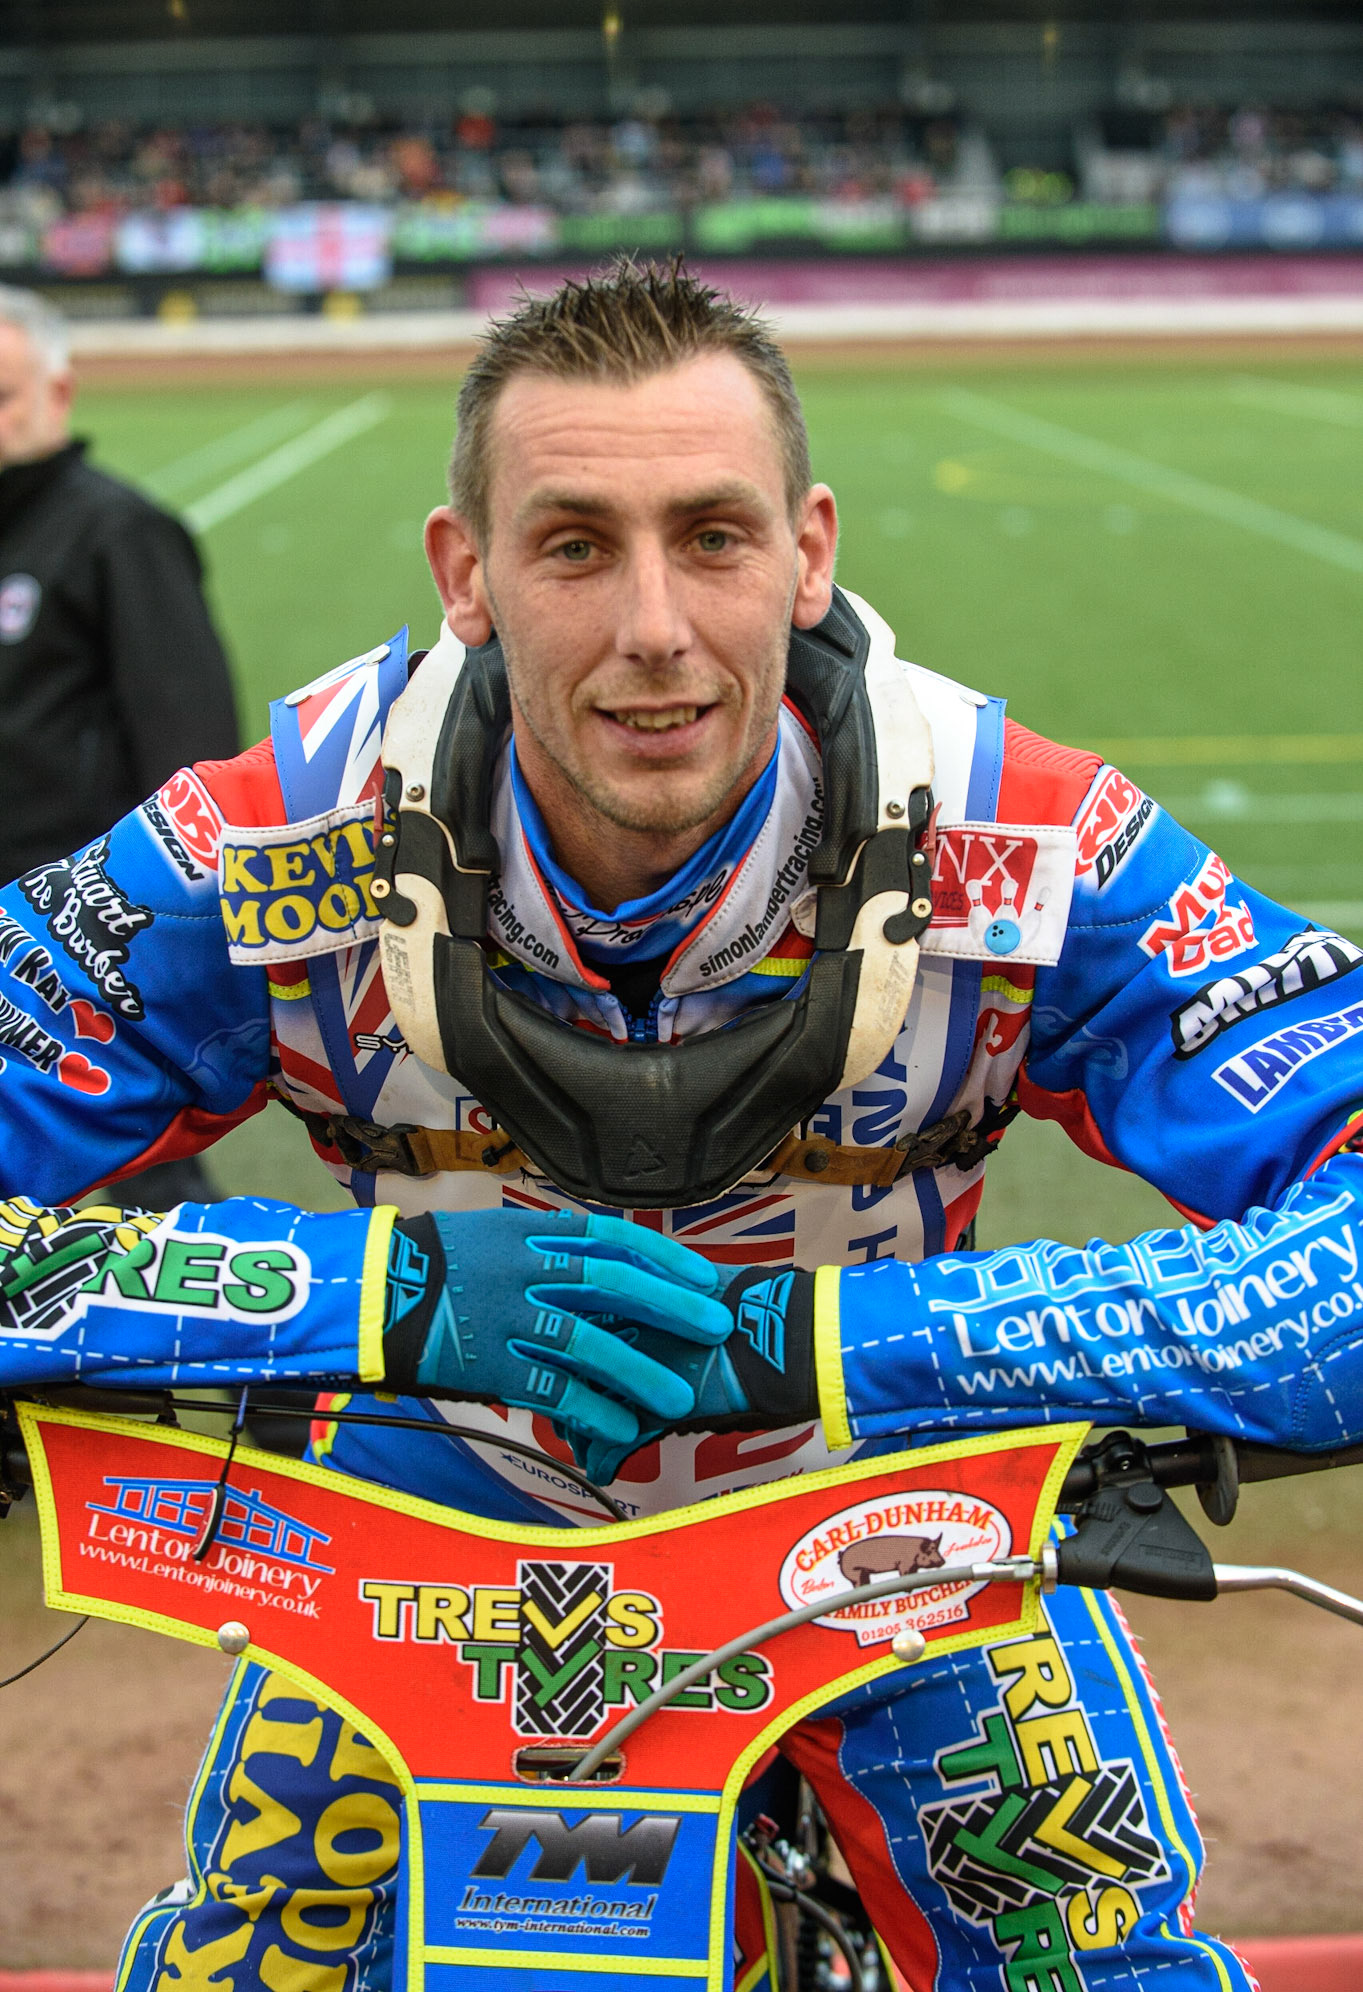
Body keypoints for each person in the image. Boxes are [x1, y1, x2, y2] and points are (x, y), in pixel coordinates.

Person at [3, 260, 1362, 1990]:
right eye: (573, 545)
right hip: (440, 1496)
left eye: (711, 537)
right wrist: (378, 1301)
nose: (652, 626)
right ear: (464, 574)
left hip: (889, 1490)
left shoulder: (1026, 840)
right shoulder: (266, 845)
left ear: (806, 552)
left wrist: (838, 1343)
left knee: (1092, 1969)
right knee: (248, 1969)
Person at [0, 284, 240, 1213]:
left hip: (79, 941)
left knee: (148, 1181)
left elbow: (187, 746)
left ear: (58, 393)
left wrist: (163, 934)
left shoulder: (117, 532)